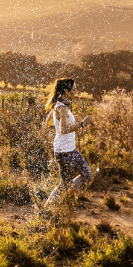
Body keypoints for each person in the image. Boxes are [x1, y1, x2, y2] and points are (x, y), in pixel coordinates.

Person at [41, 77, 93, 211]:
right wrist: (82, 124)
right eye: (73, 89)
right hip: (64, 152)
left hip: (70, 149)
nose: (75, 92)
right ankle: (46, 210)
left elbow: (49, 123)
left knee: (86, 174)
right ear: (66, 91)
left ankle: (63, 200)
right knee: (64, 183)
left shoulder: (60, 105)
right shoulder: (62, 108)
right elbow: (63, 130)